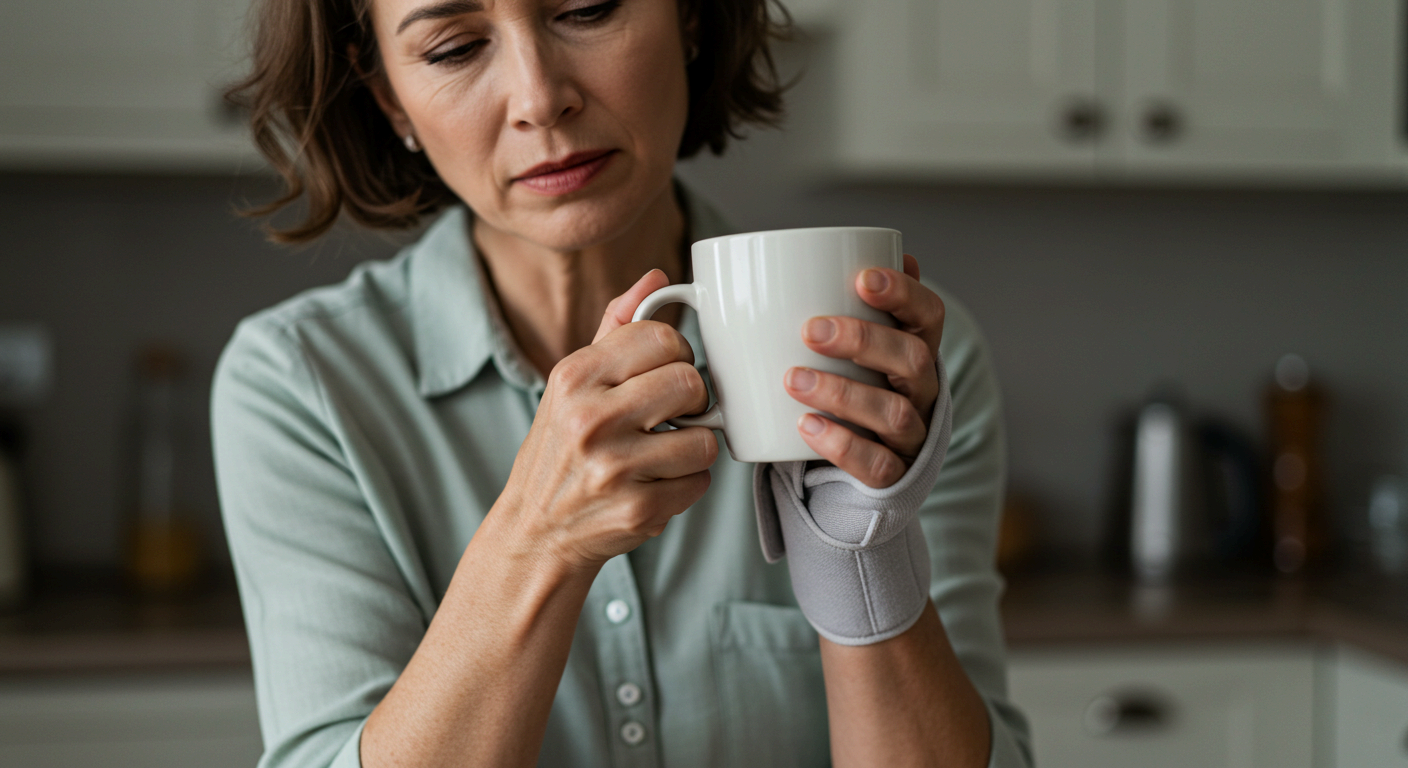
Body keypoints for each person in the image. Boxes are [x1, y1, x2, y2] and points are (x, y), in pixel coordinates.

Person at [212, 0, 1032, 765]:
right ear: (390, 99)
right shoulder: (299, 384)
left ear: (691, 19)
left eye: (587, 8)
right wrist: (538, 539)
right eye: (455, 47)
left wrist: (863, 561)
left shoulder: (899, 363)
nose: (539, 99)